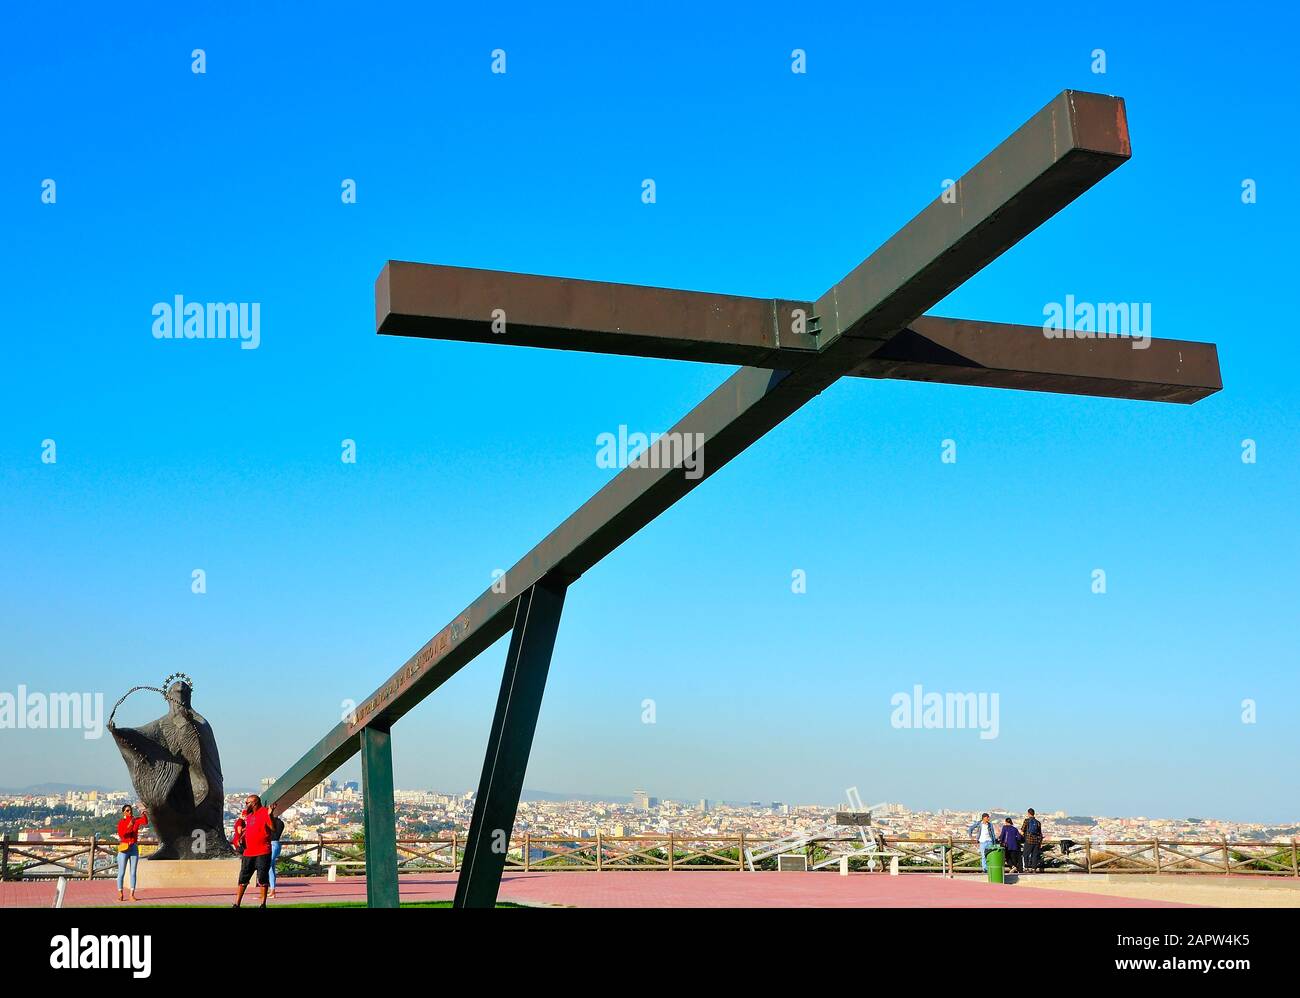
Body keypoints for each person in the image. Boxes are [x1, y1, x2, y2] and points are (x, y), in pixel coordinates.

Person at [231, 794, 275, 908]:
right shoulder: (249, 815)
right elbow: (243, 826)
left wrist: (270, 815)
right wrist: (240, 836)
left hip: (263, 852)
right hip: (248, 852)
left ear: (254, 803)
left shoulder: (265, 812)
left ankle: (263, 904)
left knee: (262, 878)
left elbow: (273, 828)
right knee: (243, 878)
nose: (246, 805)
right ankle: (237, 903)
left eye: (247, 803)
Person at [115, 804, 149, 902]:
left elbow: (145, 822)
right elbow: (122, 835)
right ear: (124, 812)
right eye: (127, 810)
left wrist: (144, 815)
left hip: (133, 847)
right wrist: (130, 825)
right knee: (121, 873)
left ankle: (131, 895)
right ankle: (120, 893)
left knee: (133, 872)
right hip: (124, 848)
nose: (130, 812)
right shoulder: (122, 822)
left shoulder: (135, 820)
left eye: (130, 810)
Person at [267, 808, 285, 899]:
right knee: (271, 868)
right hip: (277, 844)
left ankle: (271, 891)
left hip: (272, 845)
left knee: (269, 867)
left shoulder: (270, 822)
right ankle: (272, 890)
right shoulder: (281, 823)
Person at [1021, 807, 1044, 873]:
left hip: (1028, 840)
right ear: (1034, 814)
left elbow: (1022, 830)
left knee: (1025, 854)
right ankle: (1034, 869)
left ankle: (1026, 868)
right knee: (1034, 855)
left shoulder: (1026, 821)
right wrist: (1040, 843)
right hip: (1036, 842)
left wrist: (1023, 836)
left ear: (1028, 813)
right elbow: (1040, 833)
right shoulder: (1038, 823)